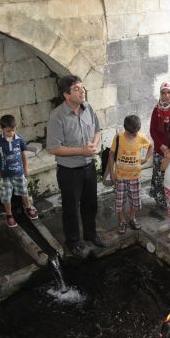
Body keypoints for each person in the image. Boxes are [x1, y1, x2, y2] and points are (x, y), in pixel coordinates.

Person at [46, 75, 104, 255]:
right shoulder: (57, 116)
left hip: (89, 167)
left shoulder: (88, 108)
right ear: (66, 94)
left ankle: (91, 234)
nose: (82, 91)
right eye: (77, 89)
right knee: (71, 209)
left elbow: (97, 130)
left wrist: (94, 144)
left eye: (82, 87)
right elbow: (53, 148)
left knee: (91, 204)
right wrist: (81, 150)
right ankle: (72, 242)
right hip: (69, 172)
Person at [0, 114, 39, 228]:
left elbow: (23, 155)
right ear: (1, 129)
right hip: (5, 175)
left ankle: (28, 208)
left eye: (13, 130)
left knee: (24, 191)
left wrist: (25, 169)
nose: (11, 133)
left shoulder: (19, 138)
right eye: (8, 131)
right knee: (6, 196)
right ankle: (9, 215)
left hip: (19, 173)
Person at [108, 115, 152, 234]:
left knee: (135, 201)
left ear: (138, 129)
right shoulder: (118, 137)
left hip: (135, 177)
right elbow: (111, 155)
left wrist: (146, 159)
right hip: (120, 177)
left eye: (135, 133)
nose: (133, 135)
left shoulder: (141, 137)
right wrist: (112, 173)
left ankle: (132, 218)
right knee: (119, 202)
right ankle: (122, 220)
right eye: (130, 133)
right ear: (125, 128)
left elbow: (151, 146)